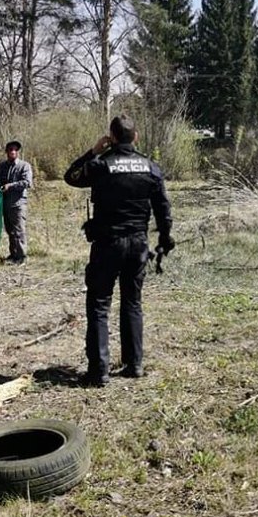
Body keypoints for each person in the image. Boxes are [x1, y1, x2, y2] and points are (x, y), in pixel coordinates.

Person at [63, 115, 174, 386]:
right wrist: (165, 237)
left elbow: (71, 176)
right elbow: (163, 208)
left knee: (99, 304)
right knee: (132, 302)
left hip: (108, 243)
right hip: (138, 243)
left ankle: (99, 371)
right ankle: (134, 364)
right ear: (136, 137)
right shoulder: (150, 167)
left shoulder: (101, 165)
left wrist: (94, 150)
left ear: (111, 137)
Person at [0, 140, 34, 265]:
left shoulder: (24, 166)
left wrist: (11, 186)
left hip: (18, 204)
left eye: (15, 149)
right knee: (10, 230)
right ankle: (13, 254)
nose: (12, 151)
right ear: (6, 152)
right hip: (5, 204)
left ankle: (21, 257)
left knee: (19, 230)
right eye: (10, 149)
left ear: (17, 152)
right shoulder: (1, 167)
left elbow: (27, 183)